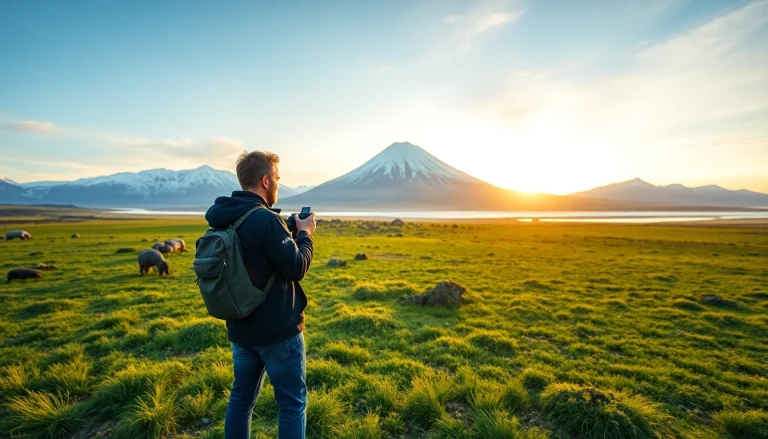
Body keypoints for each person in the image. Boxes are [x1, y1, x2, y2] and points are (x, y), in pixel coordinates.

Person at [205, 151, 316, 439]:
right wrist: (305, 235)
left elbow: (255, 254)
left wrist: (288, 232)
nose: (278, 183)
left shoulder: (223, 217)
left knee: (241, 401)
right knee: (292, 404)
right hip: (278, 332)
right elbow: (296, 267)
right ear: (266, 181)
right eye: (277, 178)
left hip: (241, 329)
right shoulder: (265, 220)